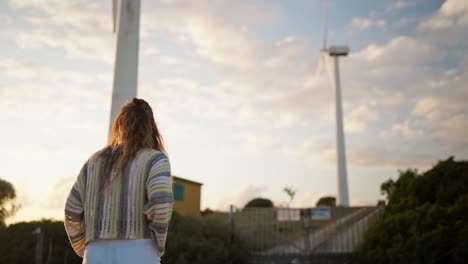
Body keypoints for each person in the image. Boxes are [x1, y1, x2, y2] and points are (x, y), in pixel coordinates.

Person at [64, 98, 173, 264]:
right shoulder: (154, 159)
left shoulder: (94, 160)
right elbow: (162, 204)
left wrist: (84, 247)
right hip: (140, 251)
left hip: (95, 253)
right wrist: (158, 241)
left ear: (120, 124)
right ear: (150, 127)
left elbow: (71, 209)